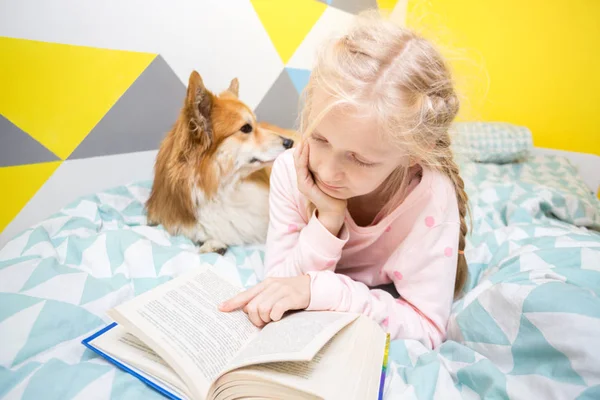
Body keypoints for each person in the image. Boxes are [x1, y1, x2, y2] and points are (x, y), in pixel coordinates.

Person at [219, 10, 469, 350]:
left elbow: (427, 327)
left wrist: (325, 290)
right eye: (320, 139)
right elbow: (278, 286)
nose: (325, 171)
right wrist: (328, 220)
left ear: (415, 153)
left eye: (360, 159)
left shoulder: (432, 198)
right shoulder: (292, 172)